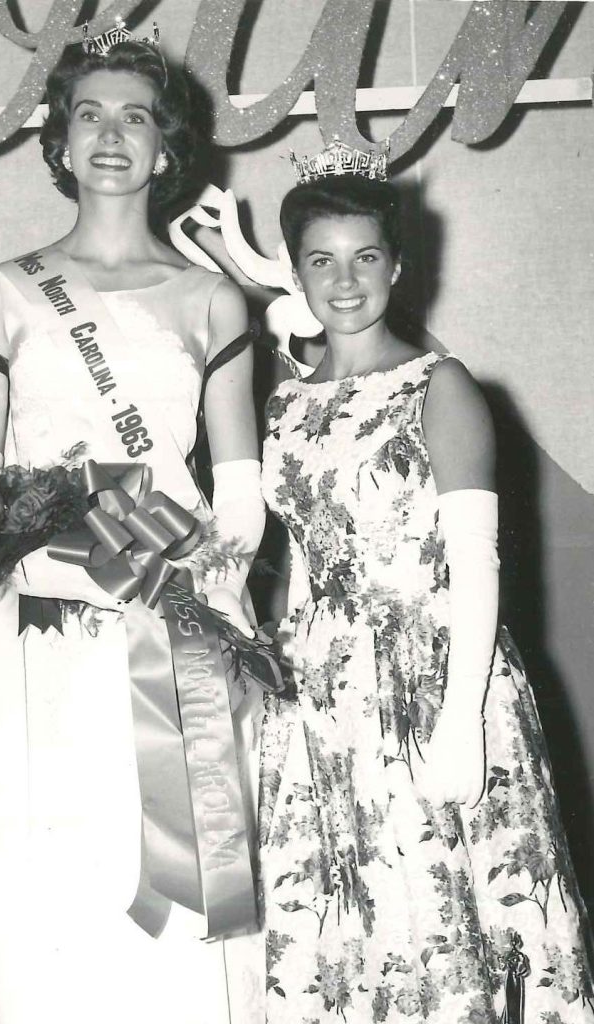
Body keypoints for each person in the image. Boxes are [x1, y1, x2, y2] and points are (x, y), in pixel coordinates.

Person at [0, 32, 266, 1024]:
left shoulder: (214, 300)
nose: (111, 133)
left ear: (168, 150)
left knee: (167, 888)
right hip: (33, 627)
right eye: (89, 113)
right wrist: (53, 523)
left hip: (165, 616)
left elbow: (240, 501)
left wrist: (184, 561)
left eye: (136, 116)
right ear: (62, 142)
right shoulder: (4, 294)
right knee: (35, 883)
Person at [259, 152, 594, 1022]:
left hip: (431, 682)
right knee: (348, 926)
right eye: (320, 260)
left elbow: (475, 566)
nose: (343, 280)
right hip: (320, 698)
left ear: (398, 265)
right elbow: (297, 560)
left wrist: (460, 720)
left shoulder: (438, 387)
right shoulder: (283, 407)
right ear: (294, 271)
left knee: (446, 923)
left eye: (364, 256)